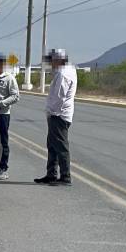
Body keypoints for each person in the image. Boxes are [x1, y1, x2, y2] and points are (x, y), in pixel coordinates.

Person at [36, 48, 76, 187]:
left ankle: (65, 176)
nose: (50, 64)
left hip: (59, 115)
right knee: (52, 145)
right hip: (58, 114)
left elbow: (59, 97)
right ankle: (51, 174)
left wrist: (52, 113)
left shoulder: (63, 74)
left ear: (58, 60)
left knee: (60, 146)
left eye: (52, 61)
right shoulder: (67, 70)